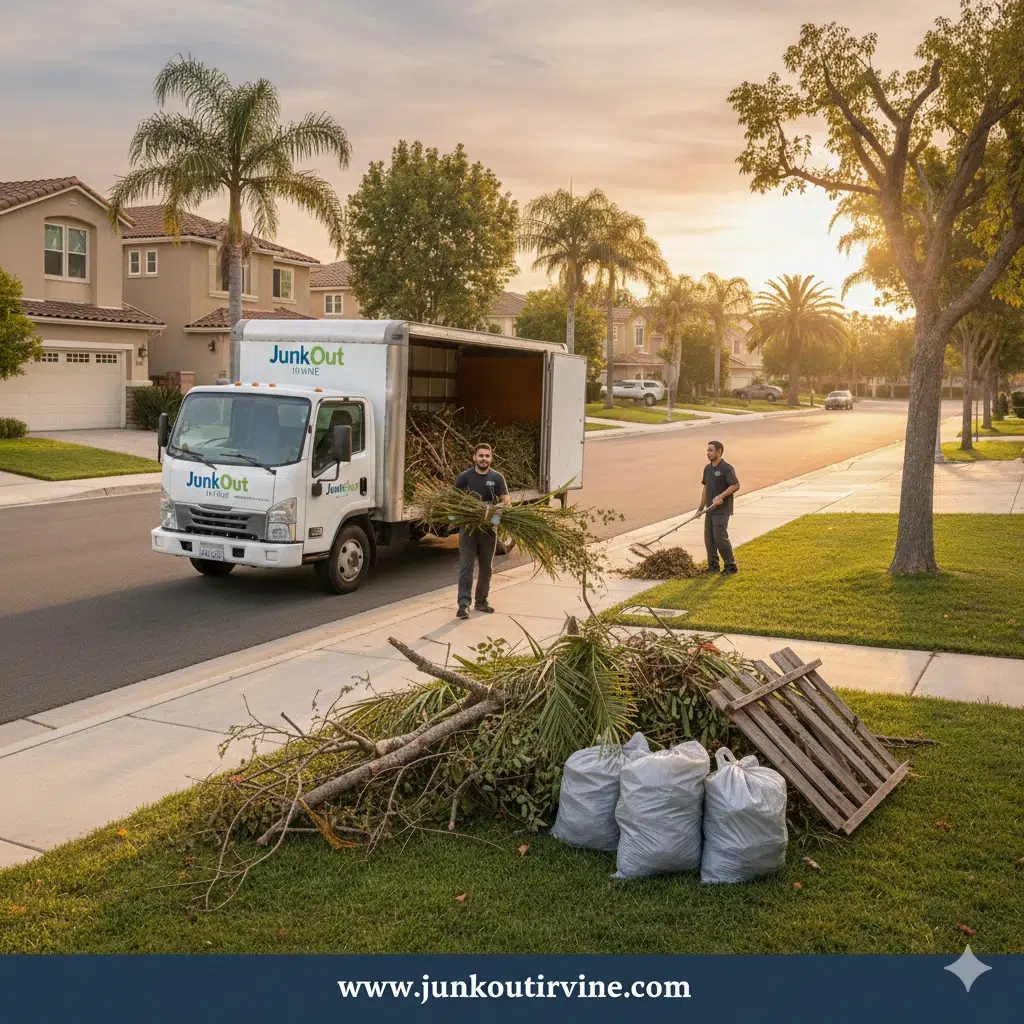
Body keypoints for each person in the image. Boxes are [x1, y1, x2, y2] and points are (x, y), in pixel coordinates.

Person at [454, 442, 510, 618]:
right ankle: (463, 604)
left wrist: (497, 510)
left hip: (488, 530)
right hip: (468, 530)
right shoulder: (464, 477)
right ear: (474, 457)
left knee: (486, 568)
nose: (484, 459)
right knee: (466, 567)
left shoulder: (498, 477)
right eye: (481, 455)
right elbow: (453, 500)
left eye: (487, 456)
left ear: (491, 458)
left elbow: (506, 500)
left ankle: (481, 602)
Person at [698, 440, 740, 574]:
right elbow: (706, 488)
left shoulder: (726, 468)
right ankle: (713, 567)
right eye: (707, 450)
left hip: (722, 511)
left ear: (719, 451)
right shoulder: (707, 468)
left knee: (720, 537)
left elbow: (735, 485)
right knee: (709, 539)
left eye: (711, 450)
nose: (708, 453)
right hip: (709, 510)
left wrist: (721, 496)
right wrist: (700, 508)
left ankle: (730, 566)